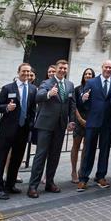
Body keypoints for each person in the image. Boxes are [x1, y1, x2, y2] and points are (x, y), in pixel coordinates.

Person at [28, 60, 76, 198]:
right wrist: (49, 94)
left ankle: (50, 182)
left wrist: (72, 120)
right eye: (60, 68)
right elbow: (38, 96)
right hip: (46, 125)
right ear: (56, 69)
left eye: (65, 68)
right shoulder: (47, 83)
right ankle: (33, 186)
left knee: (55, 155)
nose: (62, 70)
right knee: (41, 155)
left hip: (60, 126)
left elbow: (72, 104)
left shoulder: (69, 85)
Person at [0, 62, 37, 200]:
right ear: (18, 72)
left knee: (17, 159)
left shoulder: (33, 89)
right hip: (7, 130)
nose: (26, 74)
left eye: (28, 72)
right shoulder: (7, 88)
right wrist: (7, 107)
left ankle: (10, 185)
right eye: (23, 71)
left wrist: (30, 124)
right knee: (1, 159)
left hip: (22, 130)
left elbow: (32, 110)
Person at [77, 60, 111, 191]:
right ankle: (83, 178)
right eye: (106, 67)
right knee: (89, 151)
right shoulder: (91, 82)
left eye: (110, 68)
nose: (108, 69)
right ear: (102, 68)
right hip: (93, 122)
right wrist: (83, 99)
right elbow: (83, 102)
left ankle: (101, 176)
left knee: (105, 151)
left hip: (108, 123)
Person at [71, 68, 95, 183]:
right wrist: (80, 119)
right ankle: (73, 171)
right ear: (83, 76)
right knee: (76, 145)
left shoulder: (95, 88)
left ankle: (82, 170)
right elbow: (74, 105)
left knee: (86, 147)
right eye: (86, 74)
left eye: (90, 74)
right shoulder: (77, 89)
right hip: (79, 120)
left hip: (90, 121)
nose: (88, 76)